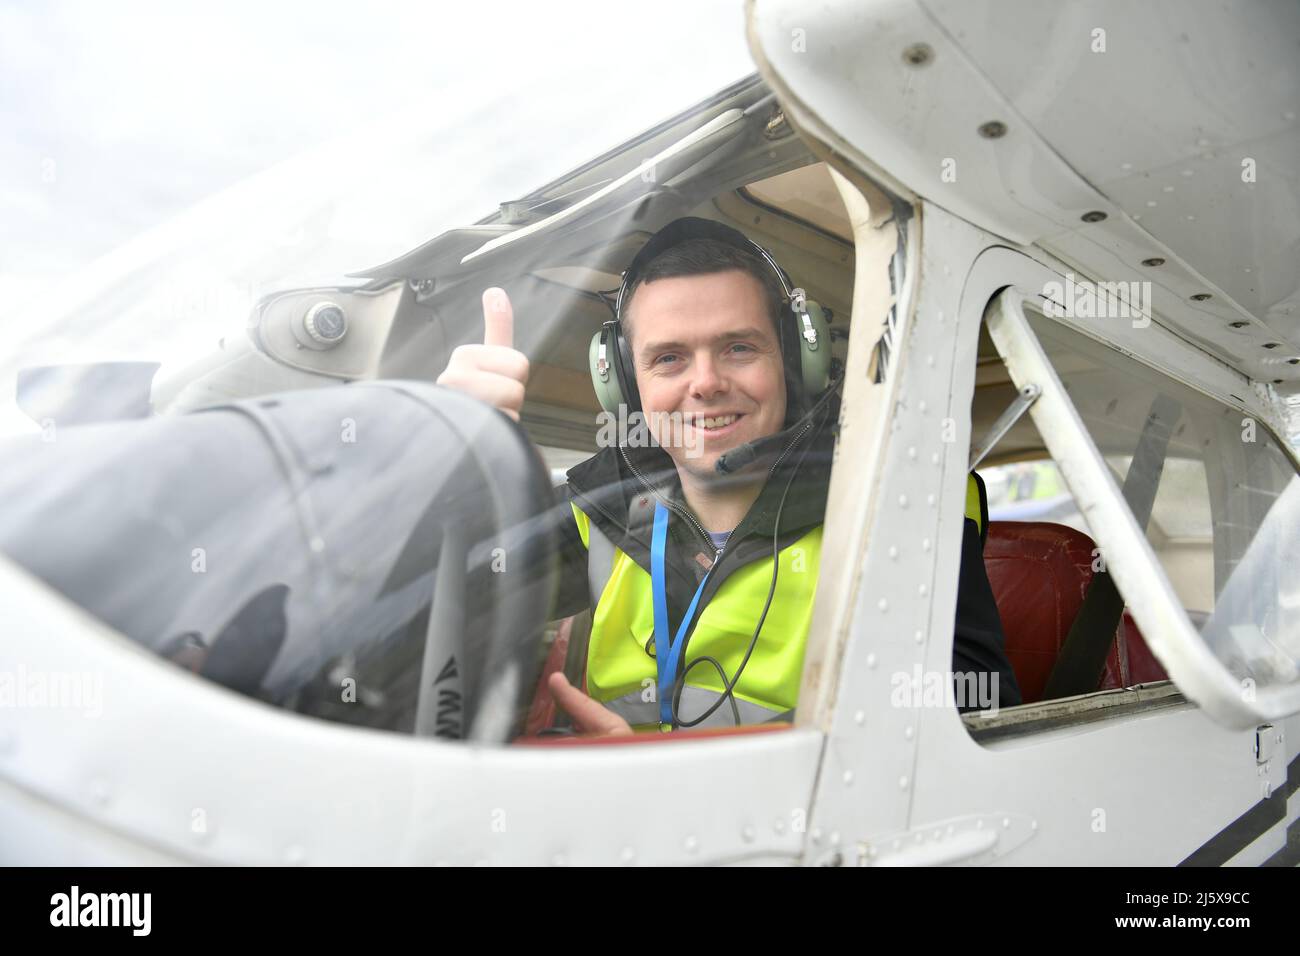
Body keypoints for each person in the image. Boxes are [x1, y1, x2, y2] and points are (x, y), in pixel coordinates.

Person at [437, 218, 1021, 735]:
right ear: (622, 381)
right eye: (669, 358)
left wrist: (679, 780)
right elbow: (425, 652)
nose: (706, 382)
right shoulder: (591, 513)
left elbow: (974, 718)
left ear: (796, 364)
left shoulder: (889, 500)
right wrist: (452, 484)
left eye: (739, 348)